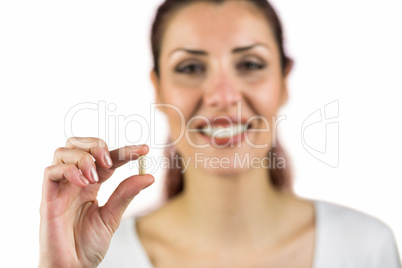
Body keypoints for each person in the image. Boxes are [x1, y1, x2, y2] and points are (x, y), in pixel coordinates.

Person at [39, 0, 401, 267]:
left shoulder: (365, 248)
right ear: (159, 89)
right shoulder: (103, 257)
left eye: (250, 64)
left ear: (284, 81)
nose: (223, 96)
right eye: (191, 66)